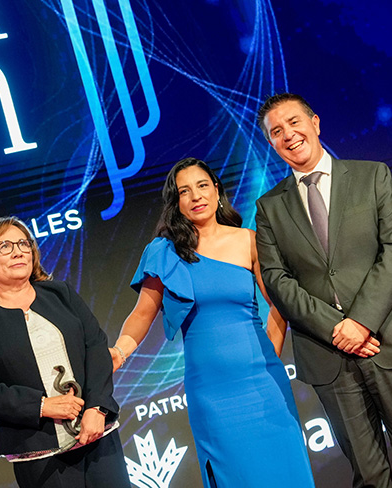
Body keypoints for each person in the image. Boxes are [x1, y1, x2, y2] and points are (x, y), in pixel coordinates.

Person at [254, 92, 392, 488]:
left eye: (294, 122)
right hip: (327, 353)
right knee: (368, 473)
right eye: (276, 131)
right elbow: (277, 279)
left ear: (315, 123)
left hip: (387, 339)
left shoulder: (372, 176)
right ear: (271, 143)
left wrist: (360, 322)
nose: (288, 135)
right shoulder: (269, 207)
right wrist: (336, 329)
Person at [110, 158, 316, 487]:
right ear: (176, 203)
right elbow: (141, 314)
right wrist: (119, 352)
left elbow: (280, 305)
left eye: (203, 185)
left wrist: (271, 356)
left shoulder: (248, 240)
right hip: (212, 394)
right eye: (184, 191)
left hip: (264, 383)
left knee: (285, 472)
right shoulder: (163, 252)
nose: (196, 196)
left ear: (217, 190)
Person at [0, 216, 131, 488]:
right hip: (39, 453)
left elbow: (96, 347)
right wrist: (41, 406)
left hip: (97, 435)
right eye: (4, 246)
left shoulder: (61, 293)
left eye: (23, 243)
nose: (18, 252)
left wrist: (97, 408)